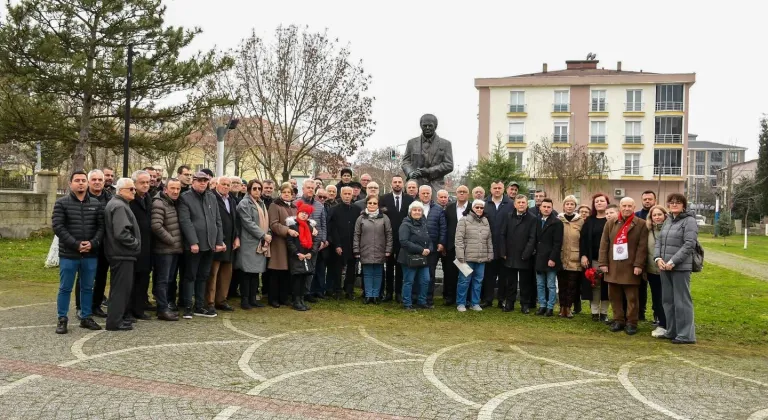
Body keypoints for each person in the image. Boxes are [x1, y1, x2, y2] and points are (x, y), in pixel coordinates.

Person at [52, 171, 105, 334]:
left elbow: (101, 227)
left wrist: (93, 243)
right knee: (65, 288)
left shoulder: (96, 204)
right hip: (69, 254)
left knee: (87, 287)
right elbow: (58, 227)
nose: (81, 183)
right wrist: (76, 244)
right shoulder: (61, 203)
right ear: (70, 184)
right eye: (77, 180)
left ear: (87, 184)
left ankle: (86, 317)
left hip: (90, 254)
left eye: (83, 180)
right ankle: (62, 318)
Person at [599, 197, 648, 336]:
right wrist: (603, 263)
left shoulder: (641, 224)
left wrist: (639, 264)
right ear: (620, 207)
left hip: (631, 266)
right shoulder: (610, 223)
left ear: (634, 207)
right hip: (613, 265)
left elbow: (642, 247)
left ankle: (632, 323)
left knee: (632, 297)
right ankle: (618, 320)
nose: (626, 208)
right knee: (614, 296)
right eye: (624, 205)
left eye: (629, 206)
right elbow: (604, 244)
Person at [178, 171, 224, 319]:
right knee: (190, 275)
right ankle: (187, 307)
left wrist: (218, 241)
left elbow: (217, 221)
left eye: (205, 180)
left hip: (209, 244)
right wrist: (193, 241)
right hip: (194, 245)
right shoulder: (185, 198)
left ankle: (199, 305)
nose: (203, 183)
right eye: (200, 180)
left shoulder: (211, 197)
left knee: (203, 276)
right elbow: (186, 221)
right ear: (193, 182)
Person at [654, 193, 698, 344]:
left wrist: (673, 261)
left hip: (679, 268)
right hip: (664, 267)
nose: (674, 204)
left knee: (682, 301)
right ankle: (672, 331)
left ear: (683, 205)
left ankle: (686, 335)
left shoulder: (689, 221)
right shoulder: (668, 221)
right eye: (671, 202)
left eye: (678, 202)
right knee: (668, 300)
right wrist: (658, 258)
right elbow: (659, 242)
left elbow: (689, 244)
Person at [103, 178, 140, 331]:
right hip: (122, 254)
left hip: (120, 253)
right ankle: (114, 322)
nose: (134, 191)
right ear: (120, 190)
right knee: (120, 289)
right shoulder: (119, 206)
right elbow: (121, 233)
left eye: (134, 189)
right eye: (130, 189)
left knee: (120, 289)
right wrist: (135, 243)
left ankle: (116, 319)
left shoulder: (119, 204)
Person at [151, 178, 183, 321]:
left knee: (169, 279)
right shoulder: (159, 203)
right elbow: (156, 226)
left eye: (178, 189)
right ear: (165, 189)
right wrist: (172, 240)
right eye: (172, 188)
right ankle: (162, 309)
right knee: (162, 280)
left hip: (173, 249)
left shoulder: (174, 203)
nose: (175, 191)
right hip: (164, 250)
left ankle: (166, 307)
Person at [236, 179, 271, 310]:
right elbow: (248, 223)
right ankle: (245, 300)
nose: (257, 191)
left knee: (256, 272)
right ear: (249, 189)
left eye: (259, 189)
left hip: (260, 242)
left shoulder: (261, 203)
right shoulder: (244, 203)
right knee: (246, 272)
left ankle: (253, 298)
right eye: (254, 188)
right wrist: (263, 235)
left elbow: (266, 222)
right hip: (248, 242)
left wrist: (268, 233)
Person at [207, 177, 240, 313]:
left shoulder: (231, 200)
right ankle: (209, 302)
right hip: (216, 242)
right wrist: (217, 240)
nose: (226, 187)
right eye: (223, 184)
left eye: (228, 185)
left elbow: (235, 220)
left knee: (226, 274)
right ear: (217, 185)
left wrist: (237, 237)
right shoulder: (211, 198)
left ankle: (222, 300)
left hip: (230, 242)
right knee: (213, 274)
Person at [499, 194, 537, 313]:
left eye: (523, 202)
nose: (521, 204)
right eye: (519, 202)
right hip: (510, 254)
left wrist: (527, 253)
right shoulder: (508, 216)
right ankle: (510, 303)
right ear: (515, 205)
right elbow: (502, 234)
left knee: (525, 282)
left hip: (525, 255)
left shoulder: (532, 218)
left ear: (527, 204)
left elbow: (532, 238)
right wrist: (503, 251)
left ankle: (525, 304)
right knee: (511, 281)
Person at [454, 199, 493, 312]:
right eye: (477, 207)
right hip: (467, 258)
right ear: (472, 208)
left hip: (481, 258)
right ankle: (461, 303)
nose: (479, 209)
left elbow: (489, 240)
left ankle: (474, 303)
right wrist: (460, 255)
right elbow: (459, 239)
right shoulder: (464, 220)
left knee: (478, 281)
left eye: (481, 208)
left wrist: (490, 254)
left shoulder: (485, 221)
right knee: (464, 281)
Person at [82, 169, 112, 319]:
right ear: (88, 182)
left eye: (100, 179)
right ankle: (80, 306)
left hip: (105, 243)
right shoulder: (82, 197)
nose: (97, 182)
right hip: (87, 243)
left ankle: (96, 305)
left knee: (101, 276)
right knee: (84, 277)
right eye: (94, 179)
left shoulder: (110, 198)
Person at [380, 175, 414, 303]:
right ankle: (388, 292)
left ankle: (399, 293)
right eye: (395, 182)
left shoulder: (409, 199)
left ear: (403, 184)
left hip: (404, 239)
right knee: (388, 266)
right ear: (391, 184)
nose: (398, 184)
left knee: (400, 266)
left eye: (400, 182)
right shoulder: (383, 199)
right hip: (388, 238)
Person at [353, 195, 393, 304]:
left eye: (374, 203)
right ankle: (368, 295)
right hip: (365, 250)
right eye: (370, 203)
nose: (372, 205)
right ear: (366, 204)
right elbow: (357, 235)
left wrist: (388, 249)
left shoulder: (384, 218)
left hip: (380, 249)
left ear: (378, 205)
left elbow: (389, 234)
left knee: (378, 273)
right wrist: (356, 249)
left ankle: (375, 295)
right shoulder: (361, 218)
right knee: (367, 273)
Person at [401, 114, 454, 195]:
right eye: (425, 125)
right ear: (421, 126)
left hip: (435, 184)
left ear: (435, 126)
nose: (427, 128)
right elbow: (405, 162)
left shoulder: (445, 144)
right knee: (410, 205)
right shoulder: (411, 143)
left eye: (430, 125)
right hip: (415, 183)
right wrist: (410, 173)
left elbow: (449, 165)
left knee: (437, 206)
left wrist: (429, 171)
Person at [481, 180, 514, 308]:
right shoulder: (484, 204)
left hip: (505, 246)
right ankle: (488, 299)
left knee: (503, 275)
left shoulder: (510, 204)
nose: (497, 190)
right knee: (489, 274)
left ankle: (502, 299)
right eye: (494, 188)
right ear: (491, 189)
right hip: (488, 245)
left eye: (499, 188)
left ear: (503, 189)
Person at [580, 193, 610, 322]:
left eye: (602, 201)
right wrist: (583, 255)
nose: (599, 203)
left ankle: (604, 313)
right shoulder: (589, 221)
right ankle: (594, 312)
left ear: (607, 203)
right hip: (593, 259)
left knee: (606, 286)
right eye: (596, 201)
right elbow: (583, 240)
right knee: (594, 285)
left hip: (609, 260)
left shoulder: (611, 220)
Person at [267, 182, 298, 307]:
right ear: (280, 193)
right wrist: (287, 230)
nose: (286, 194)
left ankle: (284, 297)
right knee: (276, 271)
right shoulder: (274, 206)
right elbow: (273, 224)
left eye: (289, 193)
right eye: (284, 192)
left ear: (292, 195)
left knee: (287, 272)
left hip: (291, 243)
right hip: (278, 243)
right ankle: (273, 298)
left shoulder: (295, 208)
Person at [398, 201, 433, 311]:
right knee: (409, 281)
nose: (417, 212)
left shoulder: (424, 223)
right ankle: (407, 303)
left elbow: (429, 239)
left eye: (419, 210)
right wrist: (421, 250)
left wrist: (429, 249)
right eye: (415, 210)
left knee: (425, 280)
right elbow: (404, 241)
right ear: (410, 211)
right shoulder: (405, 224)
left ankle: (422, 302)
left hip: (423, 258)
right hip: (409, 258)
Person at [285, 202, 320, 311]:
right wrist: (297, 253)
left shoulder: (310, 227)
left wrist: (312, 253)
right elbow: (289, 242)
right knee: (297, 279)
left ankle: (301, 299)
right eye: (302, 212)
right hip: (296, 257)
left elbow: (315, 241)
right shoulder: (293, 226)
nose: (304, 215)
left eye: (306, 213)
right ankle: (296, 301)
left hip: (307, 256)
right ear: (298, 213)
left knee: (304, 278)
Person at [297, 179, 327, 303]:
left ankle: (307, 292)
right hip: (300, 242)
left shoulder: (319, 205)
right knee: (299, 269)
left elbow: (323, 224)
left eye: (312, 188)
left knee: (311, 268)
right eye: (308, 187)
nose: (310, 190)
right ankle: (297, 293)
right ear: (303, 189)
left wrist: (323, 240)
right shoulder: (296, 203)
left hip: (315, 243)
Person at [128, 170, 153, 321]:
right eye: (142, 182)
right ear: (135, 184)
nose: (145, 185)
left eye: (147, 182)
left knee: (144, 278)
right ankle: (129, 309)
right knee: (131, 280)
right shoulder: (130, 200)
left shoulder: (148, 198)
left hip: (147, 245)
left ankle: (139, 308)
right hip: (133, 246)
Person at [327, 186, 360, 300]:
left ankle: (349, 290)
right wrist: (337, 245)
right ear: (340, 195)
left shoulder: (356, 209)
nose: (347, 196)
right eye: (344, 194)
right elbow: (332, 228)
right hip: (339, 244)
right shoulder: (334, 209)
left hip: (352, 244)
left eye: (349, 194)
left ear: (352, 195)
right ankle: (337, 290)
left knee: (351, 268)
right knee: (337, 268)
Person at [417, 185, 446, 308]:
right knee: (416, 273)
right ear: (419, 194)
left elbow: (443, 228)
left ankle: (428, 299)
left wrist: (441, 242)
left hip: (433, 248)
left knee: (430, 274)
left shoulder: (438, 209)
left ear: (431, 194)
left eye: (427, 193)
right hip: (417, 247)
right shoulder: (414, 207)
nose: (425, 195)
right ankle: (416, 298)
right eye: (423, 193)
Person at [534, 199, 563, 317]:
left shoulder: (556, 222)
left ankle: (550, 307)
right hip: (539, 258)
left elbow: (558, 243)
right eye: (544, 206)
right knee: (540, 284)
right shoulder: (536, 221)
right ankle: (542, 305)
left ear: (552, 208)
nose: (546, 209)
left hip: (551, 258)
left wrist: (552, 258)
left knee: (551, 285)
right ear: (540, 208)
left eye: (548, 207)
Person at [557, 195, 584, 318]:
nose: (569, 206)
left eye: (572, 204)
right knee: (562, 284)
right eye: (567, 204)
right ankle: (562, 307)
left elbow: (583, 240)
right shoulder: (558, 219)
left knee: (572, 285)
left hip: (575, 257)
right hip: (561, 256)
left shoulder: (580, 221)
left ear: (575, 206)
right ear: (564, 206)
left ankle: (569, 308)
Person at [442, 185, 469, 306]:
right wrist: (444, 244)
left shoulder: (472, 207)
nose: (462, 193)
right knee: (450, 273)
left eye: (464, 192)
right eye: (459, 192)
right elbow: (445, 227)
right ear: (456, 194)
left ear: (468, 194)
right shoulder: (449, 208)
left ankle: (464, 298)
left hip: (467, 247)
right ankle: (450, 297)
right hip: (451, 246)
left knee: (465, 273)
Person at [633, 190, 657, 320]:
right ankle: (640, 313)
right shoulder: (636, 216)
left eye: (650, 199)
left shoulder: (659, 215)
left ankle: (657, 314)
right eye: (645, 199)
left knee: (656, 289)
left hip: (655, 257)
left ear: (655, 200)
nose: (647, 201)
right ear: (642, 200)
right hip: (640, 257)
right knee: (640, 288)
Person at [646, 205, 668, 337]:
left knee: (667, 298)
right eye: (654, 215)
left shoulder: (670, 229)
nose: (657, 217)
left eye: (660, 214)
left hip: (667, 269)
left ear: (665, 215)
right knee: (657, 298)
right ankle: (662, 323)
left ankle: (668, 323)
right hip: (652, 270)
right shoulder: (648, 230)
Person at [310, 188, 332, 299]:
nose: (322, 199)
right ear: (315, 196)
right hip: (313, 242)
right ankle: (311, 290)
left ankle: (319, 290)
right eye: (320, 196)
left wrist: (326, 240)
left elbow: (328, 225)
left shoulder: (328, 207)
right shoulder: (313, 207)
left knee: (321, 268)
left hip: (324, 243)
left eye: (325, 197)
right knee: (312, 268)